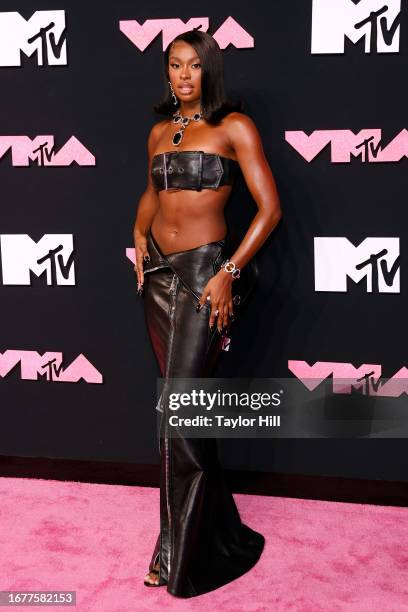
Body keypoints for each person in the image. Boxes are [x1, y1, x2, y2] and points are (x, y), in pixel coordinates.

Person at [133, 27, 282, 598]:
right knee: (181, 412)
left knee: (180, 413)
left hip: (204, 277)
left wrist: (228, 273)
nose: (183, 75)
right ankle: (208, 533)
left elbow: (269, 211)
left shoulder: (234, 127)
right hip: (160, 279)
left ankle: (177, 550)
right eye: (175, 65)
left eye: (194, 65)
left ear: (209, 71)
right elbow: (152, 194)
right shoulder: (158, 134)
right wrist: (137, 232)